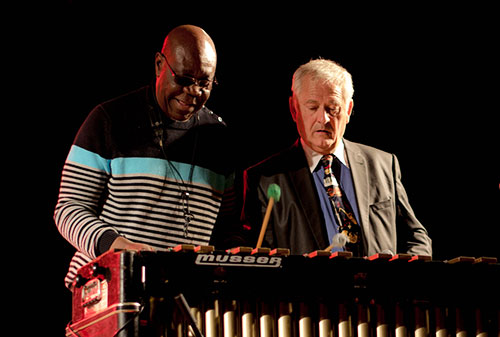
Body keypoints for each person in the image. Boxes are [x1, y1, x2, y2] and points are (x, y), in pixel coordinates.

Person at [54, 25, 237, 289]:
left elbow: (225, 224)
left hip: (182, 292)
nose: (194, 92)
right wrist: (117, 247)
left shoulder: (219, 138)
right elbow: (68, 209)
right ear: (159, 65)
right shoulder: (109, 120)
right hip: (107, 288)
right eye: (184, 80)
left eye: (204, 83)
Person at [241, 58, 432, 257]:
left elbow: (416, 236)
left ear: (348, 110)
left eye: (332, 109)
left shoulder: (383, 164)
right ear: (294, 109)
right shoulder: (264, 178)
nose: (323, 119)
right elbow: (260, 256)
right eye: (313, 107)